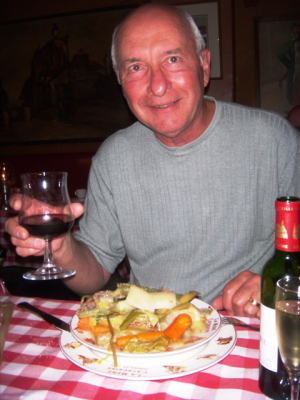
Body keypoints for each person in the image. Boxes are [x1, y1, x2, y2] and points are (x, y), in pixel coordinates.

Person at [5, 4, 300, 318]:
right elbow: (94, 273)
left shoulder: (274, 140)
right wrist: (61, 247)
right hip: (151, 343)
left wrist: (277, 285)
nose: (157, 85)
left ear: (203, 65)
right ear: (119, 81)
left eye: (172, 59)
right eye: (136, 67)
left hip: (248, 338)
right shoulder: (114, 158)